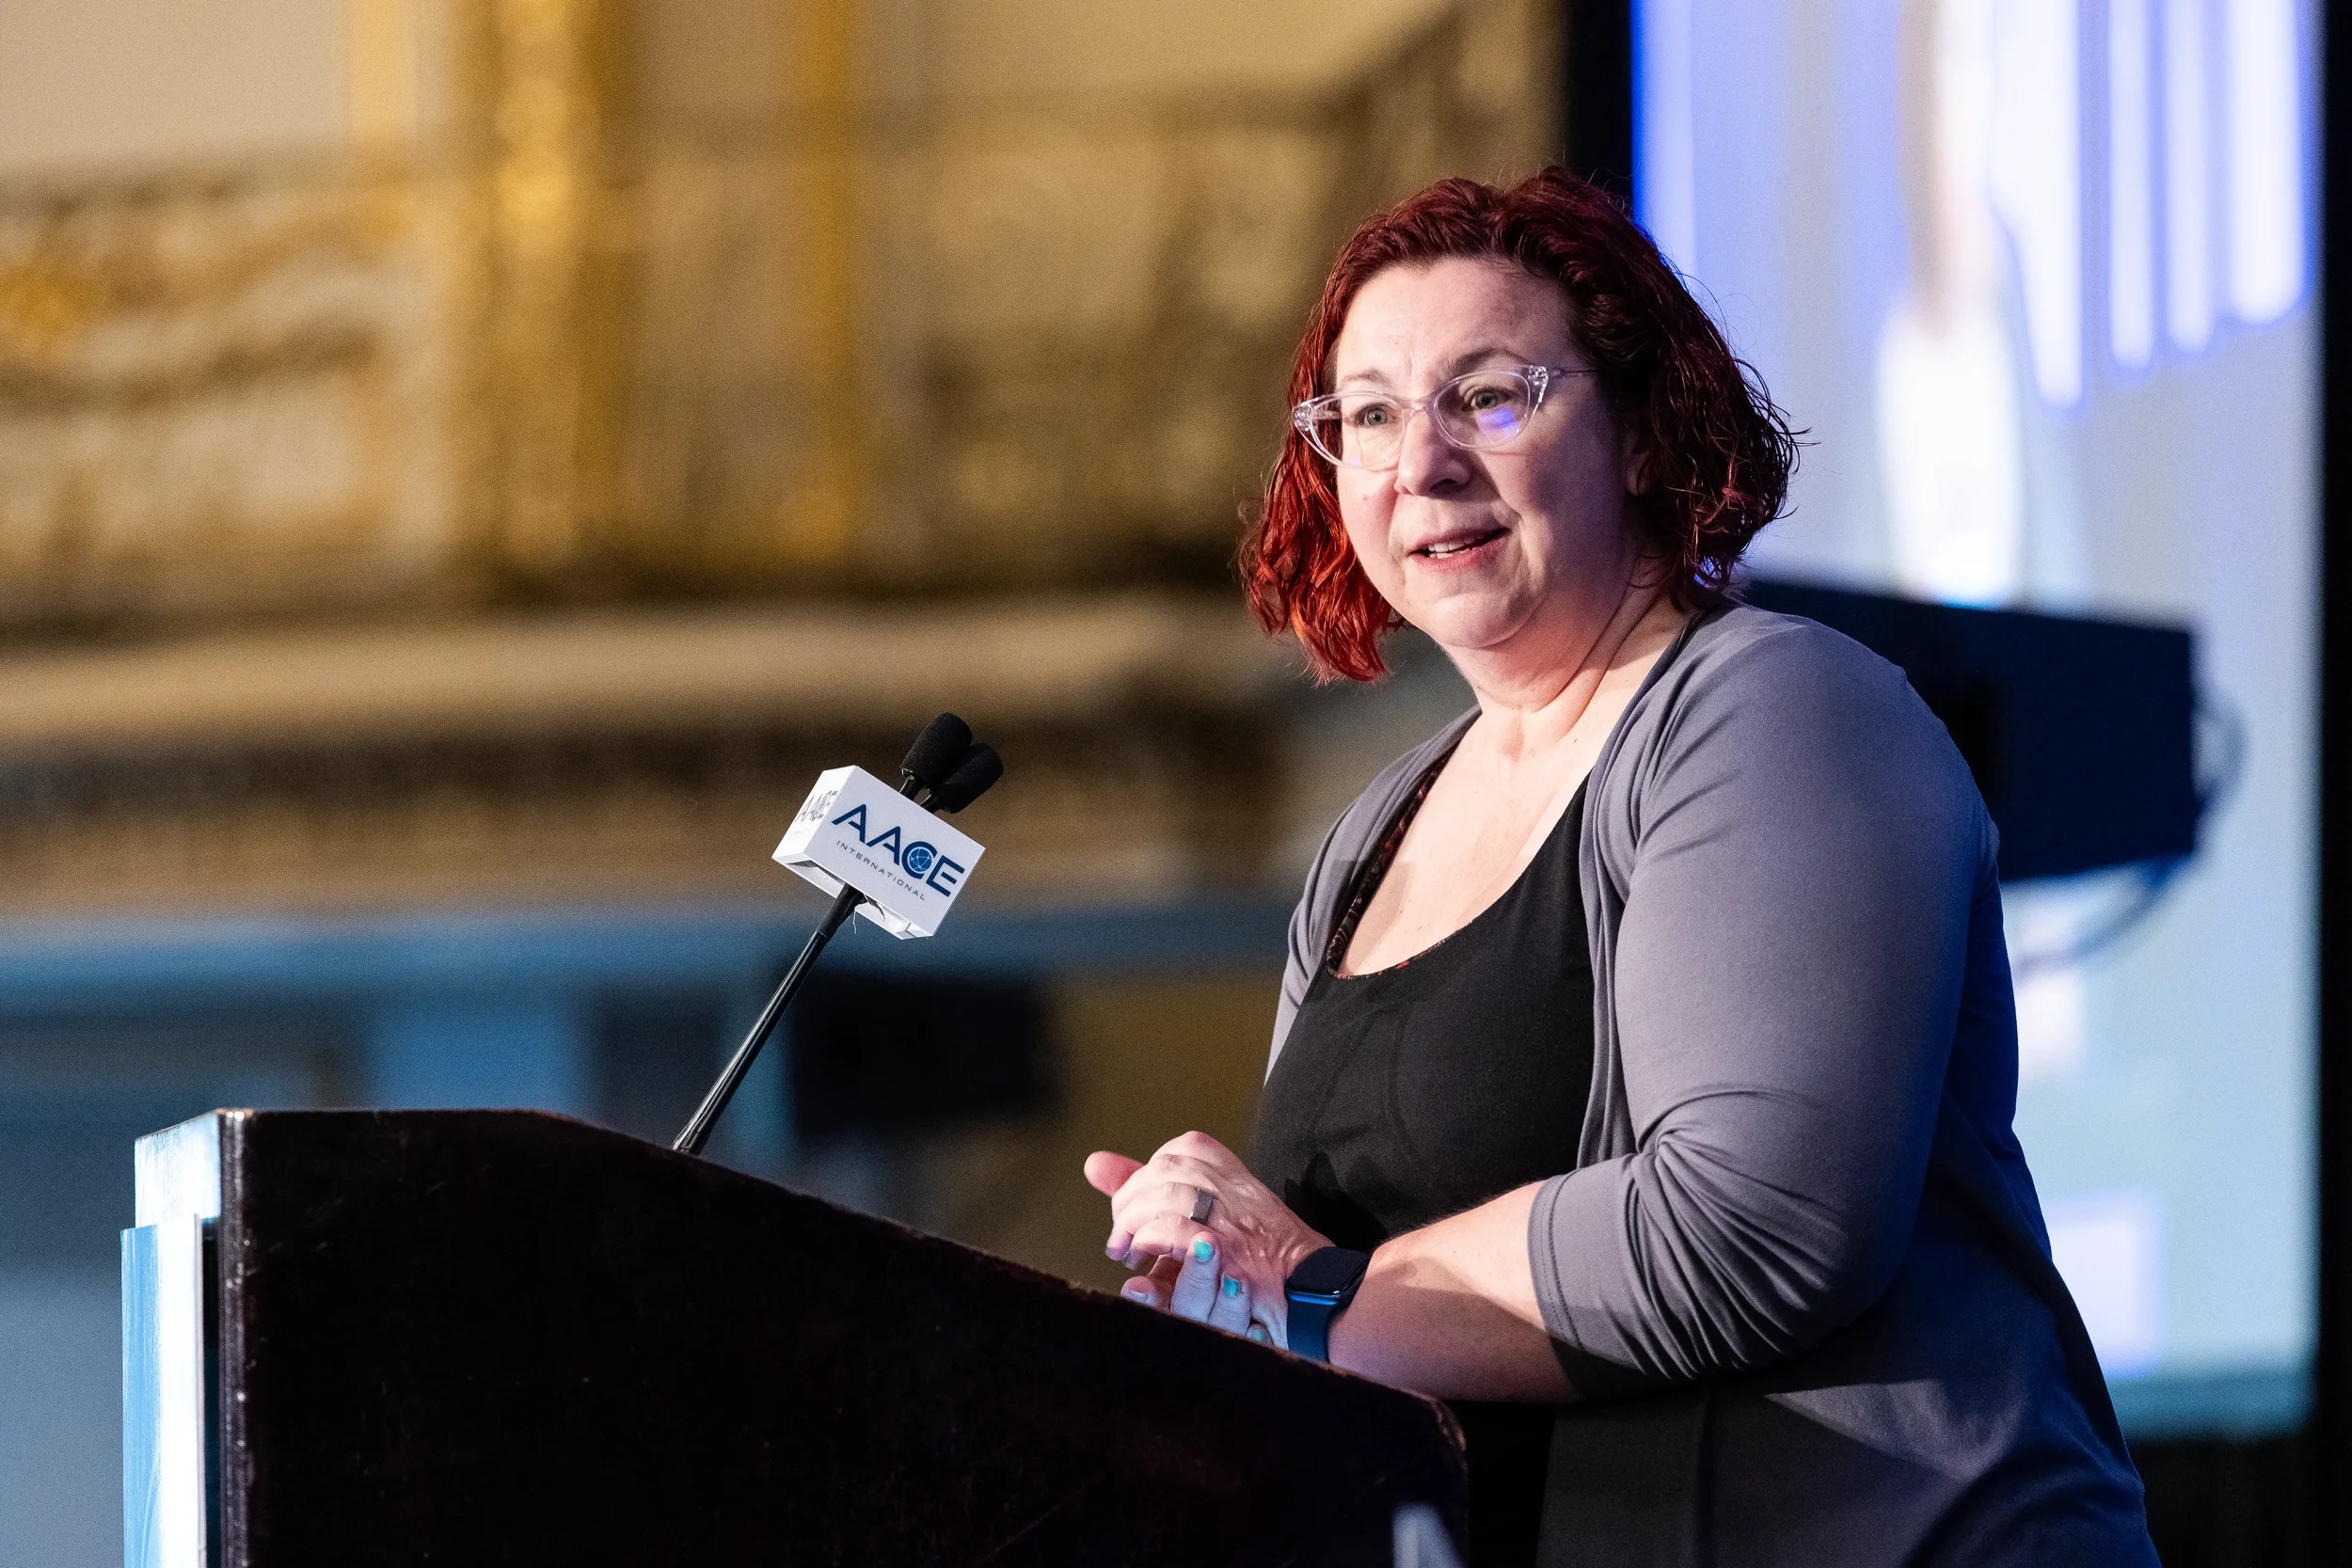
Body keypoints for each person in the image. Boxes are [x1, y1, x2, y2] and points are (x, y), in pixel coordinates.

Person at [1080, 167, 2157, 1567]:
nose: (1423, 462)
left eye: (1491, 395)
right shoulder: (1372, 832)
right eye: (1372, 414)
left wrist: (1310, 1288)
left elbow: (1749, 1227)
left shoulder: (1780, 707)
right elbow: (1329, 1323)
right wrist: (1211, 1253)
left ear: (1645, 432)